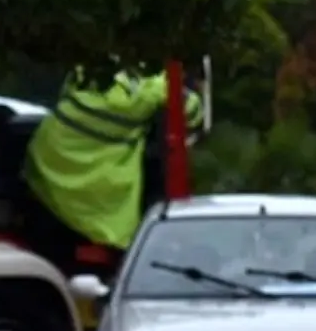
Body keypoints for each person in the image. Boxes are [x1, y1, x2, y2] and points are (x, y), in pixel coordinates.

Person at [22, 67, 204, 260]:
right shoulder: (147, 93)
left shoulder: (88, 69)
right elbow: (191, 111)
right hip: (96, 185)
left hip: (48, 160)